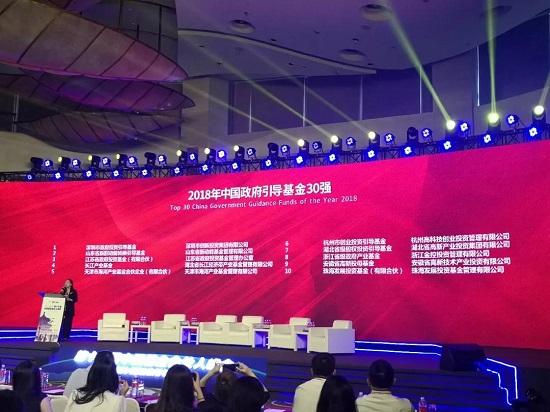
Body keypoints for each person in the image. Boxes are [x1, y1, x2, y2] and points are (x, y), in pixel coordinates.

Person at [65, 351, 129, 412]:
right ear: (114, 376)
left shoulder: (75, 394)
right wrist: (122, 395)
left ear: (91, 372)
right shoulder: (117, 401)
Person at [199, 362, 269, 412]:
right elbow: (265, 393)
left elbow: (199, 388)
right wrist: (248, 372)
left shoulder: (209, 403)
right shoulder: (244, 405)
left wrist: (211, 372)